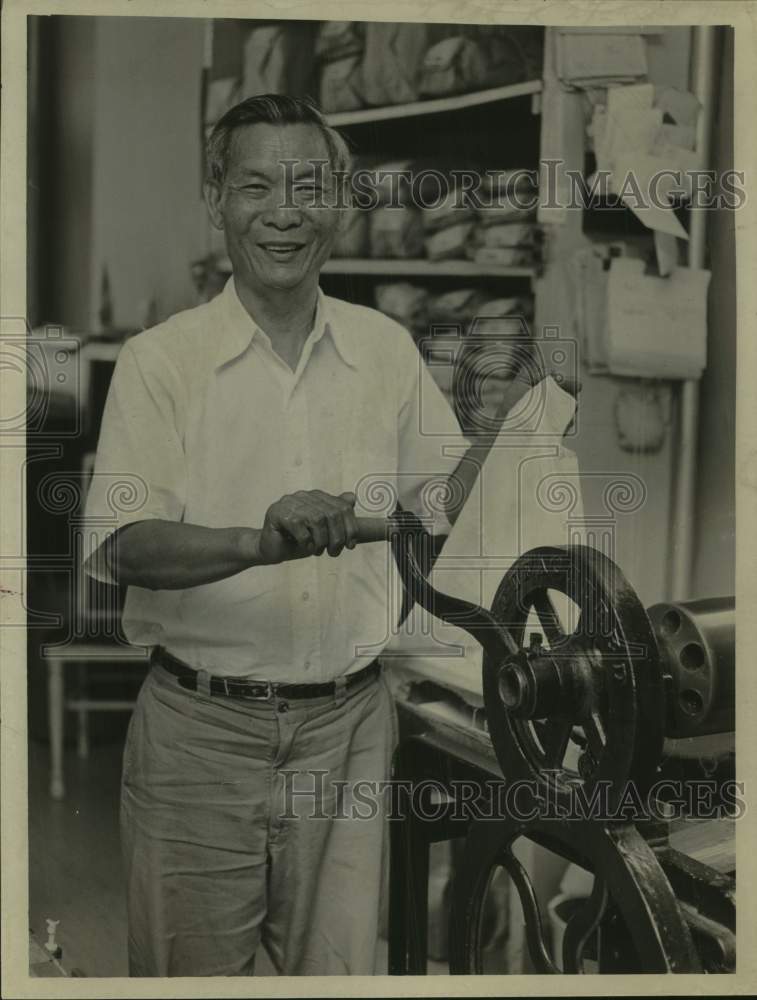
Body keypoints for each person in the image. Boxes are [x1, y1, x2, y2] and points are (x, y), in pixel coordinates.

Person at [82, 93, 535, 977]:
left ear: (340, 199)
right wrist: (259, 541)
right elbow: (120, 546)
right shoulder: (159, 361)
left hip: (350, 727)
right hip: (201, 734)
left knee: (335, 980)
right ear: (216, 198)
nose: (284, 212)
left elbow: (438, 505)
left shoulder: (386, 350)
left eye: (308, 186)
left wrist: (512, 442)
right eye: (256, 186)